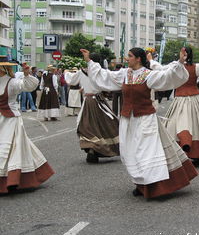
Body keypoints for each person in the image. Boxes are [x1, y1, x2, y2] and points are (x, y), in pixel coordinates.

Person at [81, 47, 198, 198]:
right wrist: (89, 61)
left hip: (145, 119)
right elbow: (105, 76)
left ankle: (152, 185)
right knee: (131, 151)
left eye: (129, 56)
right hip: (128, 120)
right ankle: (140, 183)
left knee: (146, 152)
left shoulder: (148, 75)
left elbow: (168, 77)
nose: (126, 58)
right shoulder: (125, 74)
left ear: (138, 59)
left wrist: (179, 63)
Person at [0, 60, 54, 193]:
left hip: (10, 120)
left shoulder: (11, 82)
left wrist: (26, 74)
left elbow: (28, 86)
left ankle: (12, 180)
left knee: (9, 149)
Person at [163, 47, 199, 162]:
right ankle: (198, 149)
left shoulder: (174, 66)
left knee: (176, 123)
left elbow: (160, 70)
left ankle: (178, 149)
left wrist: (150, 61)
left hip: (180, 99)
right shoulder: (196, 67)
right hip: (194, 98)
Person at [64, 65, 120, 163]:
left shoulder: (81, 72)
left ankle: (92, 149)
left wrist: (66, 73)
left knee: (87, 125)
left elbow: (71, 80)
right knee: (106, 123)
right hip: (98, 100)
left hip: (89, 101)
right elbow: (108, 85)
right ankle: (97, 149)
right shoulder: (99, 72)